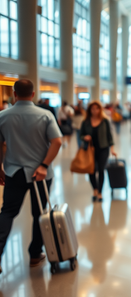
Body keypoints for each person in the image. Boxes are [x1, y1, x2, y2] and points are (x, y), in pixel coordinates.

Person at [0, 80, 62, 274]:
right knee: (39, 214)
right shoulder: (45, 115)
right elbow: (57, 141)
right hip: (40, 175)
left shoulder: (3, 116)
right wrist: (44, 165)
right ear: (33, 94)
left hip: (13, 172)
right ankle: (35, 254)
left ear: (14, 94)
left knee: (7, 212)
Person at [79, 101, 117, 202]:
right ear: (89, 110)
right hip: (90, 149)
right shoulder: (86, 122)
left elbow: (109, 136)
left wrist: (112, 149)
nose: (95, 111)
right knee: (91, 169)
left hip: (103, 148)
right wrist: (84, 137)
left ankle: (100, 192)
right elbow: (80, 135)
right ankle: (94, 190)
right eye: (92, 109)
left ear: (100, 109)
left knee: (101, 169)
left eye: (97, 108)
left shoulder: (105, 121)